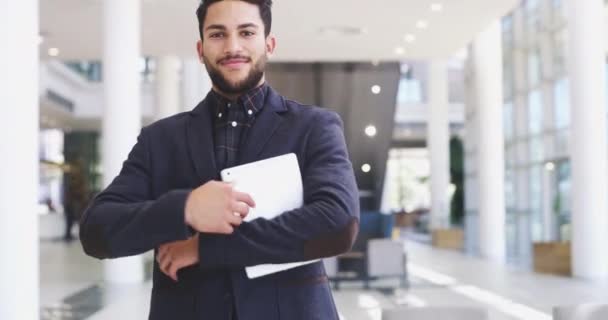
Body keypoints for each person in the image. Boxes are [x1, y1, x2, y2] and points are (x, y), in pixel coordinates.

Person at [79, 0, 360, 319]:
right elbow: (97, 231)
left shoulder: (314, 127)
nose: (233, 46)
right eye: (217, 34)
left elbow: (339, 223)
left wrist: (205, 248)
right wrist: (185, 209)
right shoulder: (160, 140)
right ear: (200, 50)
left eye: (246, 32)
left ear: (269, 43)